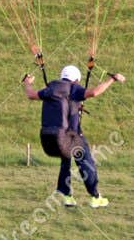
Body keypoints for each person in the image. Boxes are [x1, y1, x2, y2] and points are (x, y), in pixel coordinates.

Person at [22, 64, 124, 207]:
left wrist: (27, 83)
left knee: (66, 161)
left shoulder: (51, 89)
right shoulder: (74, 88)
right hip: (71, 137)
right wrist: (112, 79)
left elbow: (31, 95)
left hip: (52, 138)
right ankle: (95, 197)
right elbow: (94, 92)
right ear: (76, 79)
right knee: (87, 163)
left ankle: (66, 196)